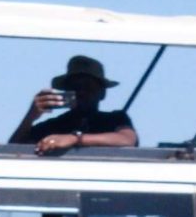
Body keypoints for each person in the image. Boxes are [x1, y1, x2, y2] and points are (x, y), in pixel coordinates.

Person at [10, 54, 138, 154]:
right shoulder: (54, 125)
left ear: (102, 93)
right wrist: (31, 116)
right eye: (75, 87)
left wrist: (73, 139)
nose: (81, 92)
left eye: (88, 87)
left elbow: (127, 139)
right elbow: (12, 151)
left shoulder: (115, 119)